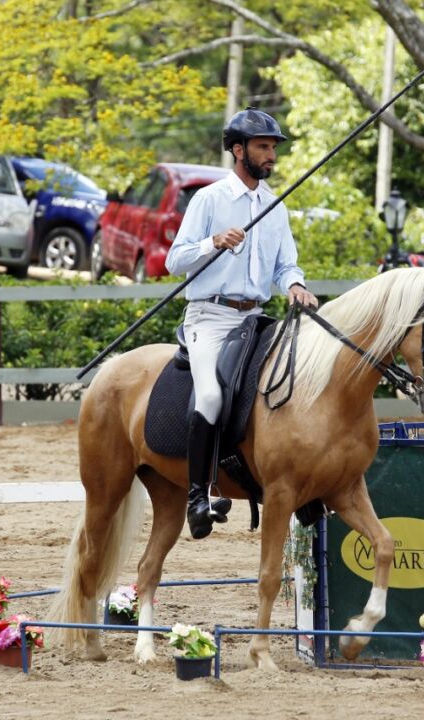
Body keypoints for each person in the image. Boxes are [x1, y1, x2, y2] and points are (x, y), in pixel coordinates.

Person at [165, 107, 318, 540]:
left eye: (273, 147)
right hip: (209, 317)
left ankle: (299, 486)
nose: (271, 155)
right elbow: (174, 260)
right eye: (263, 146)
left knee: (294, 383)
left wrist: (295, 286)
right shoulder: (209, 200)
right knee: (211, 395)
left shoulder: (274, 207)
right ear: (238, 150)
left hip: (254, 319)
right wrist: (212, 242)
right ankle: (197, 495)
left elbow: (286, 264)